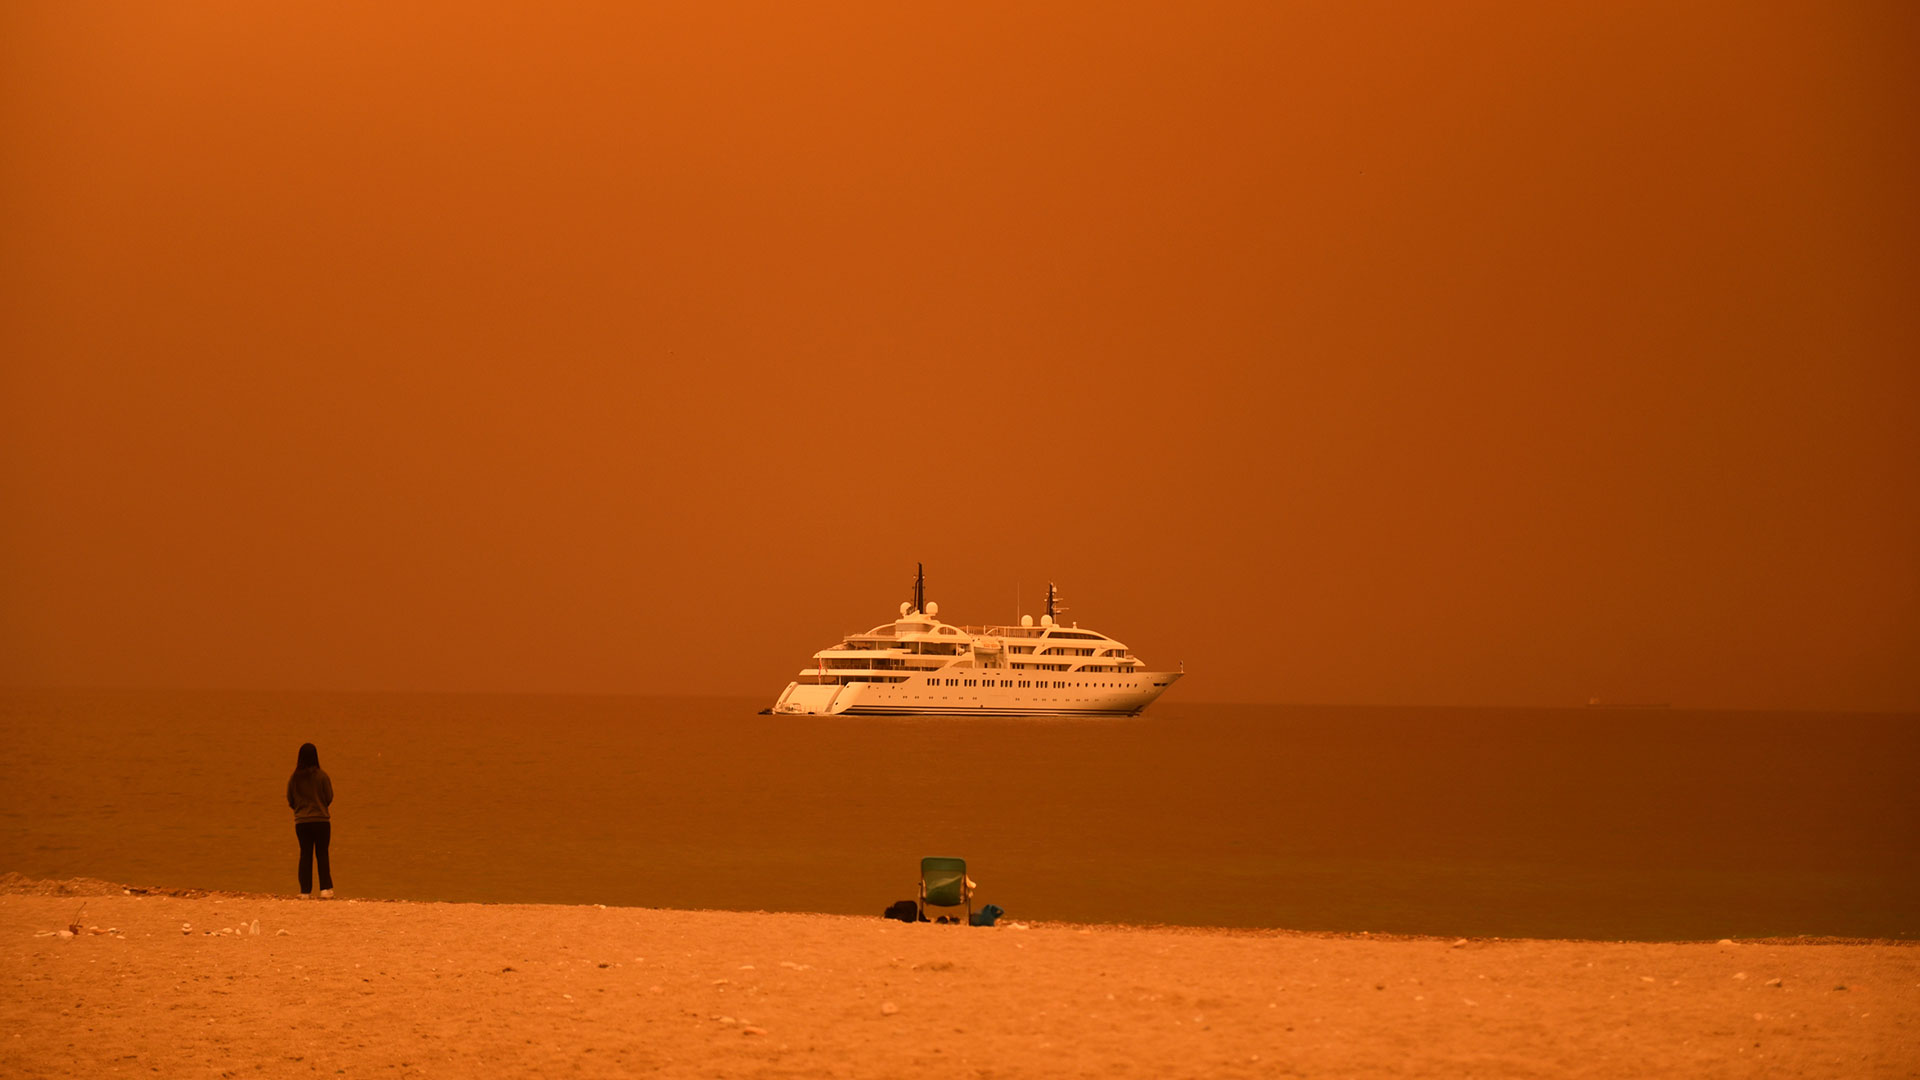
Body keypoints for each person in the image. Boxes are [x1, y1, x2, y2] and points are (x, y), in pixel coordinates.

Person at [287, 742, 335, 898]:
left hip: (302, 822)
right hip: (321, 821)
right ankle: (325, 889)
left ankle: (305, 891)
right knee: (322, 854)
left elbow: (290, 799)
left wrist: (300, 810)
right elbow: (329, 796)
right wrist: (320, 806)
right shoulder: (322, 776)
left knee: (305, 854)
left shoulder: (294, 778)